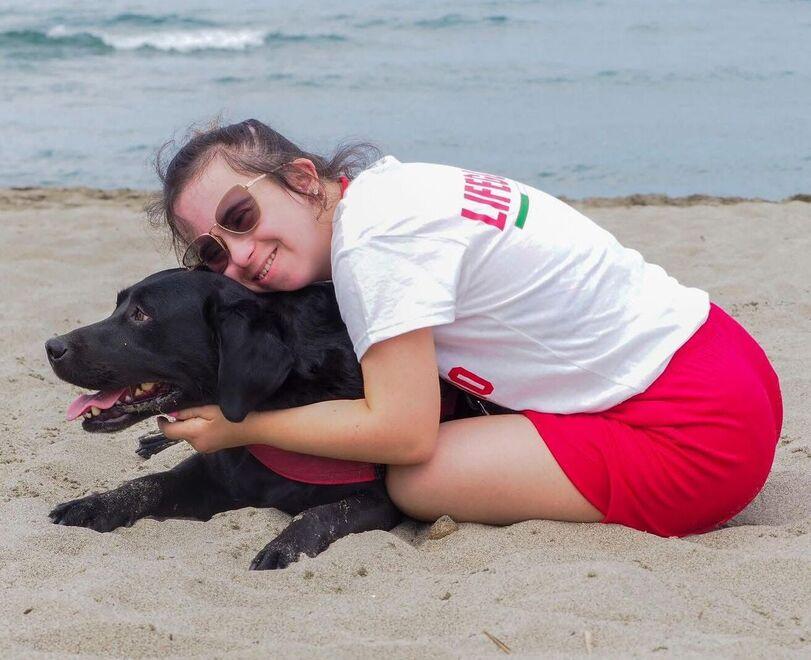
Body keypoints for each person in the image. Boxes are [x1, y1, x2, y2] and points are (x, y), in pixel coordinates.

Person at [148, 118, 783, 537]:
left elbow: (402, 433)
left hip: (699, 440)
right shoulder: (389, 189)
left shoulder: (373, 245)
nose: (238, 252)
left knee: (418, 480)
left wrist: (242, 425)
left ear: (301, 178)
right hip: (725, 358)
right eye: (210, 252)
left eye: (239, 213)